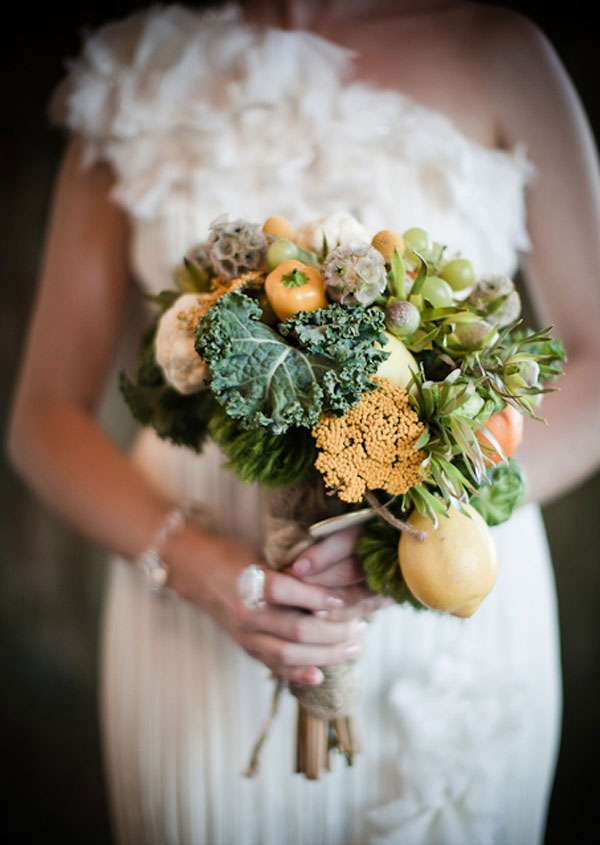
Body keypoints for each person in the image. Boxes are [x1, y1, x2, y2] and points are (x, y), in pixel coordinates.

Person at [7, 0, 600, 842]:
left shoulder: (500, 51)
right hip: (196, 606)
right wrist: (200, 565)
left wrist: (414, 530)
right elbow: (44, 417)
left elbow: (598, 362)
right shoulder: (137, 72)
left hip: (441, 596)